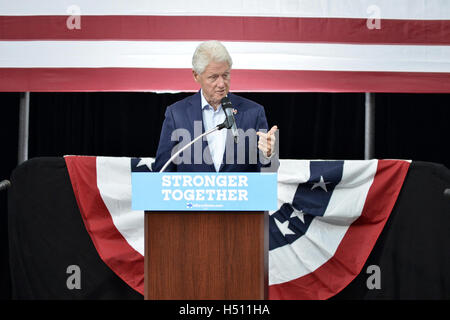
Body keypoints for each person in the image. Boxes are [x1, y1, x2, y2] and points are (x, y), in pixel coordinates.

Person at [151, 40, 278, 173]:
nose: (221, 84)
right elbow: (162, 171)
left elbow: (269, 174)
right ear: (196, 75)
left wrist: (268, 154)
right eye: (213, 77)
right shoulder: (177, 114)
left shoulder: (253, 113)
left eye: (225, 75)